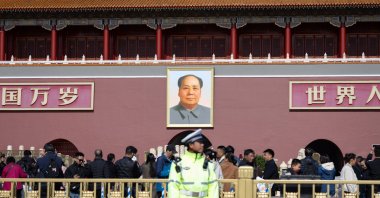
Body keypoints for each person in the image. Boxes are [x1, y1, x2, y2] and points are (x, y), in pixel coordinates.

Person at [168, 129, 218, 198]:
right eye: (200, 142)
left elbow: (213, 186)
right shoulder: (179, 163)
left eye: (202, 142)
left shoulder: (208, 164)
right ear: (191, 145)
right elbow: (173, 187)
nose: (202, 144)